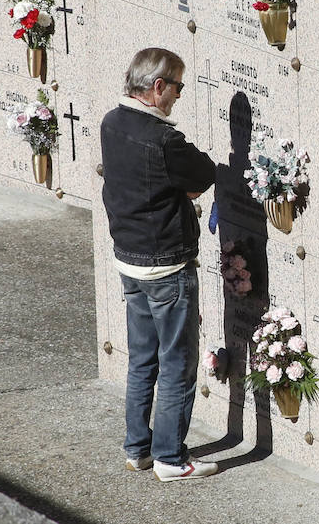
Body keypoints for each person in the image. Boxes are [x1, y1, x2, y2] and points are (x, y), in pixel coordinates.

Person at [100, 47, 218, 481]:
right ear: (158, 87)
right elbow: (203, 173)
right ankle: (170, 458)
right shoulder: (165, 140)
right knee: (177, 363)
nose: (178, 98)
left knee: (142, 358)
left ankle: (138, 449)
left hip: (129, 262)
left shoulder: (112, 123)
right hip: (166, 266)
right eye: (178, 88)